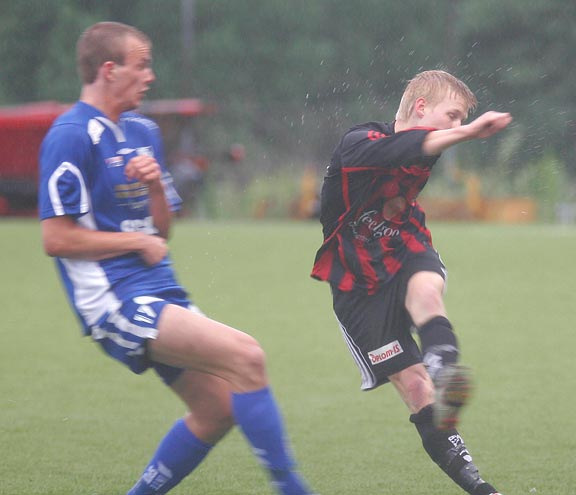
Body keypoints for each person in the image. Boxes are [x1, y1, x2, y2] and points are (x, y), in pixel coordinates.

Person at [38, 22, 315, 495]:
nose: (151, 76)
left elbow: (162, 231)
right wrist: (134, 244)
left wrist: (150, 188)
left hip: (159, 289)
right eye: (141, 64)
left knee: (217, 410)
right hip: (113, 300)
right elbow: (56, 238)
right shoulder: (70, 135)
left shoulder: (144, 132)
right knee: (247, 357)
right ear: (109, 69)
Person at [311, 70, 512, 495]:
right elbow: (400, 148)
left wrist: (462, 131)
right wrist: (471, 133)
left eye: (462, 120)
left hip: (404, 246)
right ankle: (475, 485)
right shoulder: (358, 143)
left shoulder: (431, 143)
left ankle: (443, 363)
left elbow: (422, 144)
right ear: (421, 108)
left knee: (426, 293)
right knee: (417, 390)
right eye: (452, 116)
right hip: (357, 284)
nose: (457, 127)